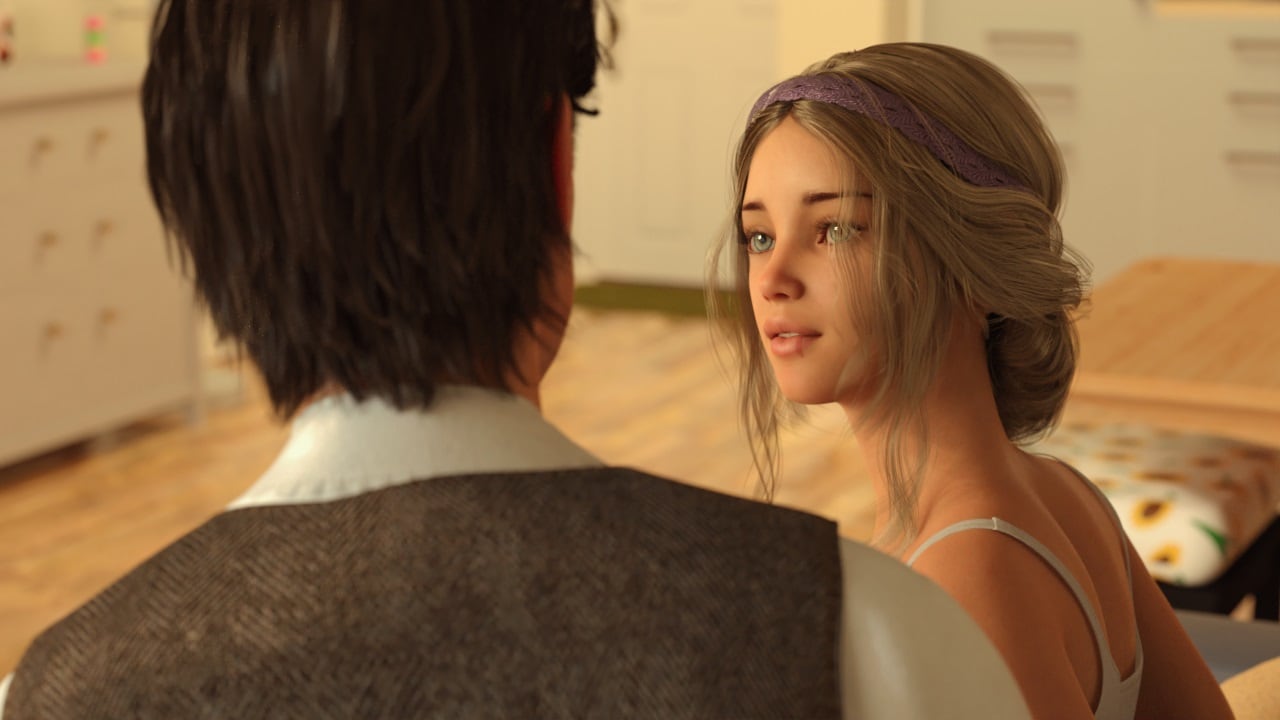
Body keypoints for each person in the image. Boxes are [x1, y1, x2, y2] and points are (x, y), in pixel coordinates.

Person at [1, 6, 1032, 717]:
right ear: (554, 165)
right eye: (758, 234)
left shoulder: (55, 692)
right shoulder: (876, 642)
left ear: (196, 214)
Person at [712, 42, 1235, 719]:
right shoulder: (1066, 494)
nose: (773, 279)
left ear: (974, 259)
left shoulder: (964, 582)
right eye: (759, 236)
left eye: (835, 229)